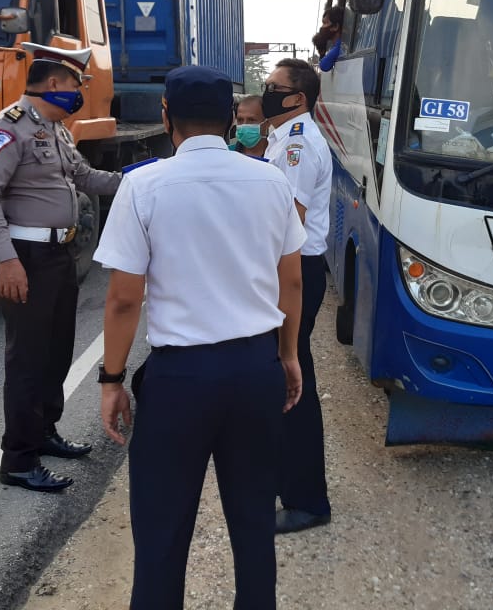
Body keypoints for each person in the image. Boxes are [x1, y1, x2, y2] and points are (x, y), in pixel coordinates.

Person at [95, 66, 305, 610]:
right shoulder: (272, 181)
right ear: (234, 120)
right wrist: (286, 356)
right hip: (254, 371)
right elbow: (291, 282)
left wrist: (112, 379)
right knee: (254, 524)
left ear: (166, 117)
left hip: (179, 381)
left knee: (162, 534)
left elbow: (123, 299)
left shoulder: (143, 186)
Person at [0, 41, 122, 493]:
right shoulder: (7, 129)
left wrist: (148, 179)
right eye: (77, 83)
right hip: (25, 259)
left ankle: (44, 432)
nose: (80, 92)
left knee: (56, 352)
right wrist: (6, 261)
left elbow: (86, 178)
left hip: (59, 256)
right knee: (27, 361)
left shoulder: (56, 129)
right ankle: (18, 459)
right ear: (55, 83)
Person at [261, 57, 334, 533]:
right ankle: (286, 482)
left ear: (298, 98)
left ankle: (307, 501)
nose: (266, 91)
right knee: (282, 379)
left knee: (293, 383)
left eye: (274, 87)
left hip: (295, 270)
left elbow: (289, 221)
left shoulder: (298, 145)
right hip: (291, 268)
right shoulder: (282, 138)